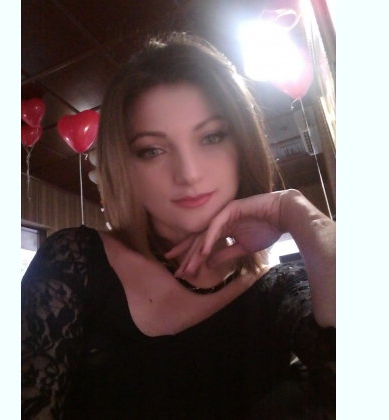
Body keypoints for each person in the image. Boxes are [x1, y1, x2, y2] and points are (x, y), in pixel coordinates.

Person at [21, 33, 335, 419]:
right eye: (153, 150)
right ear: (126, 167)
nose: (188, 173)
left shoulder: (280, 290)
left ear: (241, 145)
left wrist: (299, 213)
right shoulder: (76, 263)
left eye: (211, 137)